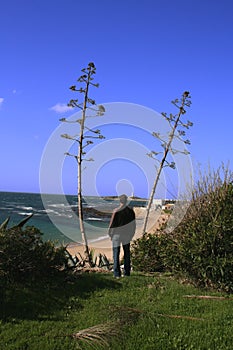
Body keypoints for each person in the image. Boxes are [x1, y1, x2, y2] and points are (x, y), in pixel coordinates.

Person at [108, 194, 136, 278]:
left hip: (116, 234)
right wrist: (132, 234)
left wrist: (110, 234)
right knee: (127, 253)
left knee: (116, 253)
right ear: (126, 201)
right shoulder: (130, 211)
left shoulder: (116, 210)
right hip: (127, 234)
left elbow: (112, 224)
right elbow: (133, 225)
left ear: (120, 201)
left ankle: (117, 274)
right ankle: (127, 273)